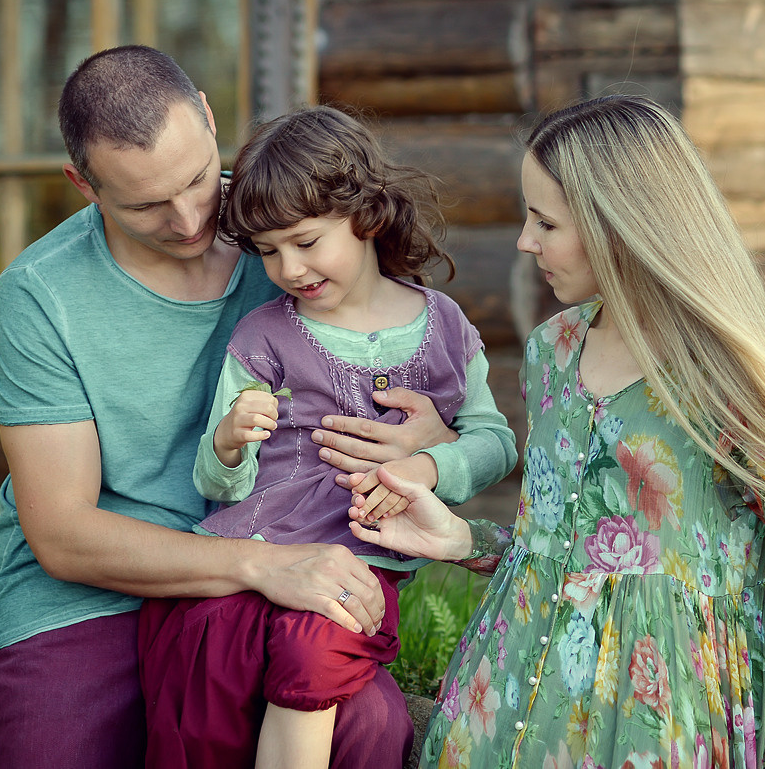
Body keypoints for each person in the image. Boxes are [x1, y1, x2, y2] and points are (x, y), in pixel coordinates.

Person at [348, 95, 765, 769]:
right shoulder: (552, 350)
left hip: (655, 719)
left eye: (546, 221)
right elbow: (568, 546)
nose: (524, 240)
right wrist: (461, 539)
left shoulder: (720, 378)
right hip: (505, 703)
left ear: (620, 224)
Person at [0, 45, 467, 769]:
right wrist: (255, 567)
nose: (188, 220)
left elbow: (423, 369)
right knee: (54, 748)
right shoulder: (42, 294)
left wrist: (430, 439)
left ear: (209, 119)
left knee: (366, 729)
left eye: (199, 179)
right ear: (83, 185)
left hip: (282, 571)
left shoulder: (294, 231)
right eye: (146, 203)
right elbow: (63, 535)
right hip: (94, 599)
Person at [137, 105, 518, 769]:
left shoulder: (444, 328)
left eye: (305, 242)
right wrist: (230, 442)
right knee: (208, 666)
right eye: (267, 251)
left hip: (356, 562)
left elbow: (494, 441)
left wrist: (430, 465)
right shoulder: (264, 334)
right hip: (250, 549)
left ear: (366, 215)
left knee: (317, 651)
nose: (287, 268)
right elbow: (216, 482)